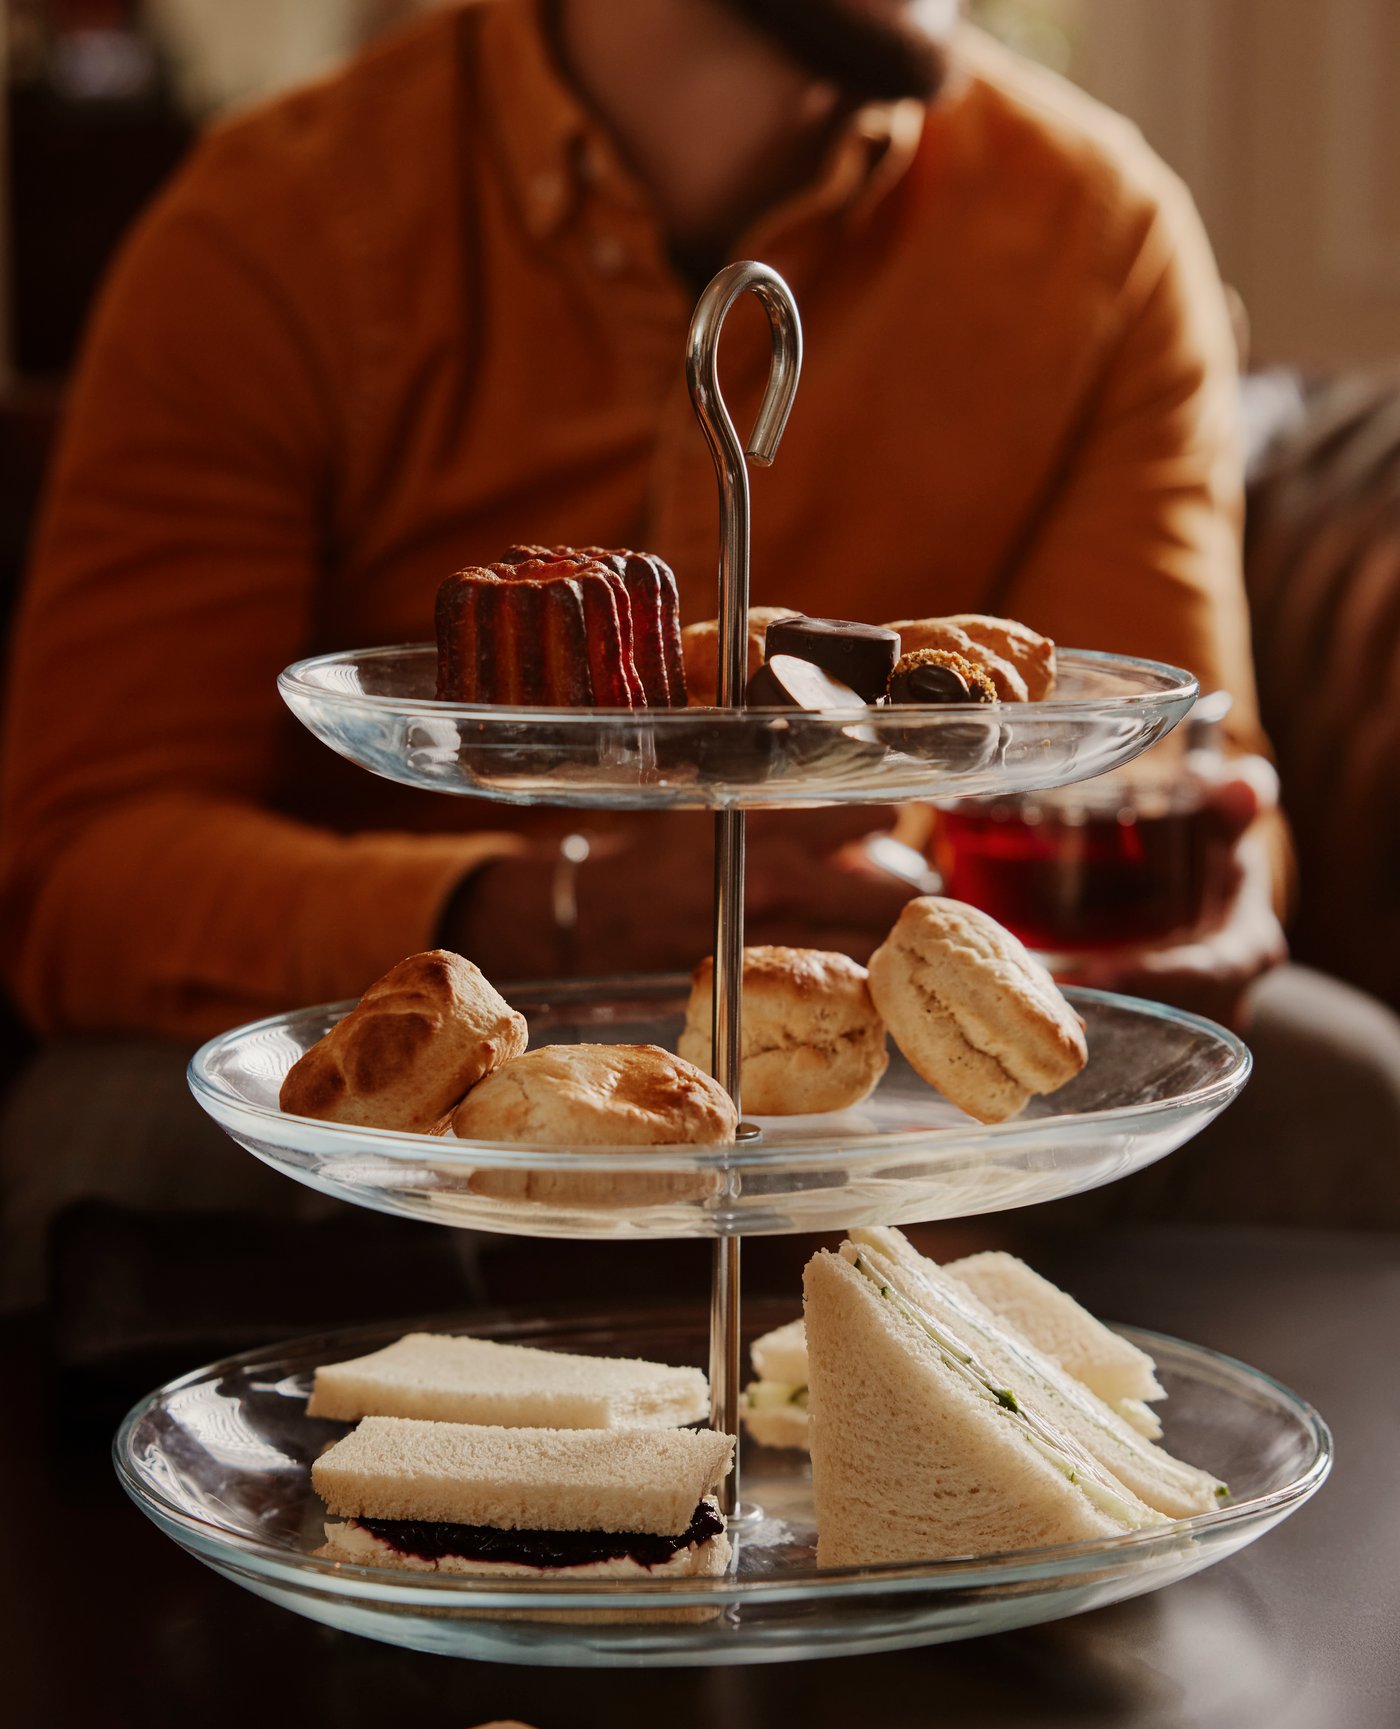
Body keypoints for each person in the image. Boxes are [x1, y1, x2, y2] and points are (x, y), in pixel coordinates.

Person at [1, 0, 1391, 1318]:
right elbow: (81, 866)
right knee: (101, 1134)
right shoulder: (278, 226)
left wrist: (1195, 893)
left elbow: (1190, 778)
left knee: (1335, 1095)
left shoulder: (1097, 236)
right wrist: (544, 912)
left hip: (872, 1037)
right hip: (439, 1088)